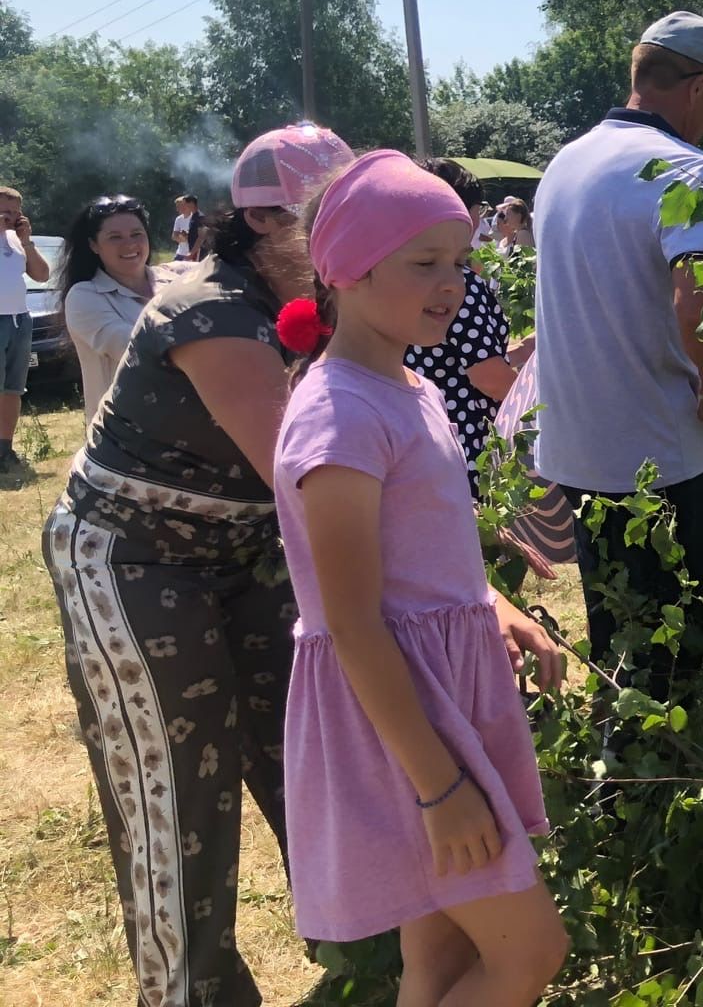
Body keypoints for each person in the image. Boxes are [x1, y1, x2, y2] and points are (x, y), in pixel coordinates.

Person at [39, 123, 355, 1006]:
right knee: (179, 796)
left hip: (246, 556)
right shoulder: (208, 311)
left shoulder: (325, 309)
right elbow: (302, 479)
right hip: (135, 559)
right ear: (270, 227)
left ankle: (374, 968)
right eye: (335, 223)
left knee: (316, 761)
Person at [274, 150, 568, 1004]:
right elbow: (353, 622)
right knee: (528, 953)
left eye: (463, 260)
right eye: (425, 263)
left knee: (436, 960)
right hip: (405, 725)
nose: (453, 284)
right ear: (348, 271)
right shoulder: (339, 417)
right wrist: (439, 788)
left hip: (442, 692)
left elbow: (424, 556)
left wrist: (494, 604)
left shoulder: (409, 387)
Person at [534, 11, 703, 679]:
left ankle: (623, 756)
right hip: (653, 456)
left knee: (616, 625)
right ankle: (654, 777)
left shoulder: (566, 163)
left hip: (576, 451)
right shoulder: (687, 171)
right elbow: (702, 305)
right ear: (697, 88)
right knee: (669, 654)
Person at [407, 160, 521, 495]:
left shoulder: (407, 274)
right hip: (468, 444)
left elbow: (451, 355)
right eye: (479, 209)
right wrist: (547, 413)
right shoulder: (458, 284)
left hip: (427, 438)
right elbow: (487, 376)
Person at [58, 195, 180, 419]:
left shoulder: (178, 280)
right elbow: (137, 349)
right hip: (125, 441)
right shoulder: (84, 297)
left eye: (137, 234)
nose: (130, 244)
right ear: (93, 245)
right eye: (115, 237)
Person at [0, 185, 52, 471]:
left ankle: (5, 449)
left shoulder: (18, 240)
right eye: (3, 210)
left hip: (20, 319)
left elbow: (43, 275)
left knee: (12, 389)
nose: (9, 216)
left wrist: (27, 240)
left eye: (14, 210)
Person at [171, 192, 204, 262]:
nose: (177, 209)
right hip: (180, 253)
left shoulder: (197, 217)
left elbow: (200, 237)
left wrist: (185, 237)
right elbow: (174, 236)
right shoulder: (179, 219)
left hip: (192, 254)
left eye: (179, 206)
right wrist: (184, 237)